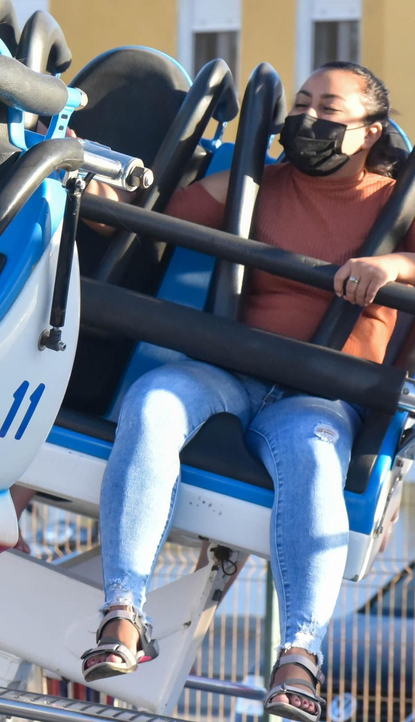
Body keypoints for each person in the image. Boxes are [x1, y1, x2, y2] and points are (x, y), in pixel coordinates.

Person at [81, 63, 412, 722]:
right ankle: (123, 609)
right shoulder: (255, 184)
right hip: (230, 370)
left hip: (318, 396)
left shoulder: (396, 202)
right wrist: (94, 196)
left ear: (371, 132)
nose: (309, 120)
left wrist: (391, 265)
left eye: (330, 110)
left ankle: (298, 656)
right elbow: (149, 222)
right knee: (153, 402)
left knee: (314, 460)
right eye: (303, 103)